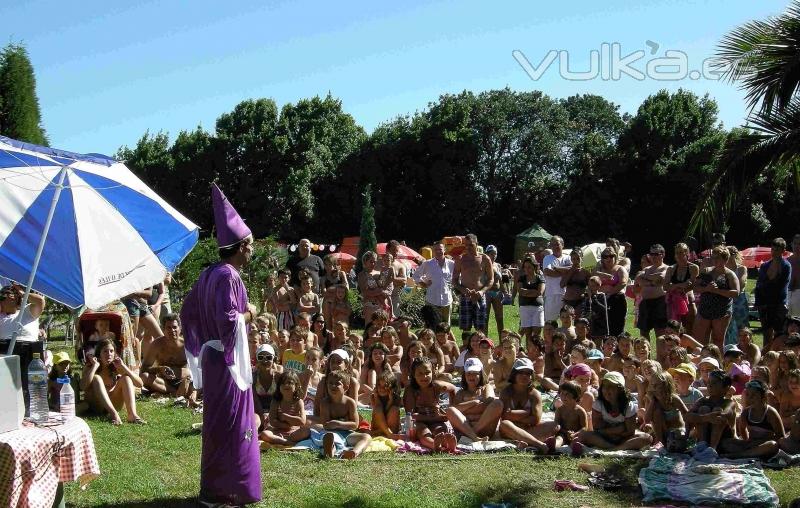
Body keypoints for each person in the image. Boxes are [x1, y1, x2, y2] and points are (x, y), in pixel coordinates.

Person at [179, 184, 261, 505]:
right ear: (240, 246)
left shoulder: (208, 274)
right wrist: (249, 312)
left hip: (214, 357)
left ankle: (214, 490)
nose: (252, 250)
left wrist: (203, 339)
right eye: (251, 245)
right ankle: (231, 489)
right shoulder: (229, 276)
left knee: (217, 424)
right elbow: (230, 319)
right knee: (232, 423)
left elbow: (188, 310)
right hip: (228, 363)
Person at [572, 372, 652, 454]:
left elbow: (630, 431)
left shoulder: (629, 406)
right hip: (603, 438)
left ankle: (616, 448)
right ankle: (613, 448)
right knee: (584, 435)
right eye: (605, 387)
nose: (607, 390)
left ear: (620, 389)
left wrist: (611, 430)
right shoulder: (598, 404)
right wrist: (618, 429)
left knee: (647, 438)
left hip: (623, 438)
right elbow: (597, 427)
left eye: (611, 387)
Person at [80, 338, 145, 425]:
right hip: (97, 405)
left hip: (114, 402)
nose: (109, 354)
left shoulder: (116, 367)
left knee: (126, 378)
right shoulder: (90, 366)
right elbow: (83, 387)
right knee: (96, 378)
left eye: (111, 351)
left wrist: (124, 367)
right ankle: (114, 414)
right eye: (105, 351)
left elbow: (140, 384)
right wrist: (95, 366)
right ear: (99, 354)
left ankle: (132, 415)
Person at [404, 357, 458, 452]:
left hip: (436, 419)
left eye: (427, 373)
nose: (424, 377)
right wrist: (434, 418)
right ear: (414, 375)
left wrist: (451, 406)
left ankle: (447, 445)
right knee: (424, 433)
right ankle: (434, 445)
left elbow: (453, 388)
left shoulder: (436, 386)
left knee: (440, 431)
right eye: (420, 374)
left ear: (432, 373)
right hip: (420, 420)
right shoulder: (411, 390)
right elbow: (410, 415)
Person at [498, 358, 552, 452]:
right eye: (521, 372)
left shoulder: (535, 394)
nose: (524, 376)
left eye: (528, 373)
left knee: (554, 425)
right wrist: (527, 412)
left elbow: (536, 419)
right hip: (510, 429)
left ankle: (521, 440)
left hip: (527, 429)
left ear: (532, 376)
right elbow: (505, 416)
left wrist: (514, 416)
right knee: (504, 424)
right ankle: (539, 444)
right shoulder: (506, 392)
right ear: (514, 374)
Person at [720, 380, 784, 459]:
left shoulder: (770, 413)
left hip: (764, 444)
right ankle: (749, 453)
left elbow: (781, 436)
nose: (750, 398)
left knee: (772, 445)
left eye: (753, 395)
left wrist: (760, 442)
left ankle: (739, 455)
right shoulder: (746, 413)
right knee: (726, 442)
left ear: (763, 397)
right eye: (748, 395)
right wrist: (747, 441)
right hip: (751, 443)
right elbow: (742, 429)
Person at [315, 370, 372, 459]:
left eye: (337, 383)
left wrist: (338, 424)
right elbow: (326, 425)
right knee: (331, 438)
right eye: (330, 383)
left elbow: (355, 425)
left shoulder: (350, 403)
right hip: (331, 433)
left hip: (347, 434)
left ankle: (354, 452)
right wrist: (341, 425)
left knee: (366, 437)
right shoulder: (325, 403)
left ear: (345, 387)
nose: (333, 386)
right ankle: (330, 452)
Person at [447, 357, 503, 442]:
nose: (471, 376)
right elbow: (454, 409)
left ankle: (473, 434)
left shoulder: (486, 388)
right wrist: (473, 402)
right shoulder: (461, 393)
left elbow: (487, 405)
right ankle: (474, 437)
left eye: (475, 373)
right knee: (450, 410)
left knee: (498, 403)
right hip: (465, 428)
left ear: (481, 374)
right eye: (468, 373)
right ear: (464, 375)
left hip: (485, 428)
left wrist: (465, 409)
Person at [693, 246, 740, 349]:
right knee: (700, 339)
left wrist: (717, 291)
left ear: (725, 259)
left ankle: (718, 363)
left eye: (717, 258)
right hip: (704, 310)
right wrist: (707, 289)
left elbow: (736, 292)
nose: (714, 260)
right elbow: (695, 287)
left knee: (718, 340)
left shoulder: (729, 275)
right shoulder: (706, 271)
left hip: (722, 312)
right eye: (713, 257)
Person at [140, 314, 193, 401]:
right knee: (144, 377)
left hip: (183, 381)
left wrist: (187, 378)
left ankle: (178, 391)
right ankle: (174, 392)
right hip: (163, 382)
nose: (172, 330)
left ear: (180, 329)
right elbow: (144, 369)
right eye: (168, 327)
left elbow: (198, 368)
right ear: (163, 330)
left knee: (198, 381)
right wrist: (160, 369)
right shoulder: (157, 345)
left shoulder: (186, 345)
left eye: (175, 327)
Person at [755, 238, 792, 351]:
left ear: (783, 251)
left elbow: (778, 284)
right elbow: (759, 284)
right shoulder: (765, 265)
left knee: (779, 334)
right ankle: (766, 357)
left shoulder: (786, 266)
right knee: (766, 334)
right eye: (773, 249)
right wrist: (759, 302)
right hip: (764, 304)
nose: (774, 252)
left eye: (777, 250)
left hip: (778, 304)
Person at [453, 234, 494, 333]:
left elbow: (491, 279)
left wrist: (482, 292)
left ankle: (481, 347)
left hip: (479, 296)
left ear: (477, 244)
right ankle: (466, 347)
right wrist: (463, 290)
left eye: (471, 245)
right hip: (465, 296)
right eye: (466, 245)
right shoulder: (461, 259)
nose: (468, 248)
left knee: (480, 328)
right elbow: (454, 280)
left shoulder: (485, 259)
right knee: (466, 329)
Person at [686, 370, 736, 450]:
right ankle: (702, 445)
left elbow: (726, 412)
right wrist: (706, 417)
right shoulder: (703, 401)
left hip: (724, 441)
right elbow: (687, 416)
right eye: (709, 383)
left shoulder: (729, 402)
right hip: (705, 441)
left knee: (718, 410)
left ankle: (713, 449)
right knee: (703, 409)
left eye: (714, 383)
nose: (710, 385)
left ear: (725, 388)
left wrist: (713, 416)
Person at [258, 370, 308, 446]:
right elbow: (272, 421)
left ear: (296, 386)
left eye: (289, 383)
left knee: (306, 431)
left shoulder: (298, 402)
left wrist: (285, 417)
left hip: (294, 432)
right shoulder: (276, 401)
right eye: (283, 383)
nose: (286, 385)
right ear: (279, 386)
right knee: (265, 434)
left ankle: (285, 440)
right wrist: (285, 425)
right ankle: (285, 442)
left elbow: (302, 421)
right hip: (277, 430)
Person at [413, 243, 455, 326]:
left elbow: (457, 278)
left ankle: (447, 339)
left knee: (446, 327)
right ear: (433, 251)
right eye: (436, 250)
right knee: (431, 326)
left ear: (444, 250)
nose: (438, 251)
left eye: (440, 249)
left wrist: (454, 284)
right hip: (432, 300)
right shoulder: (428, 263)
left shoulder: (451, 264)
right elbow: (416, 276)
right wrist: (423, 284)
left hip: (447, 300)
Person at [635, 244, 669, 339]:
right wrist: (652, 283)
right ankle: (645, 353)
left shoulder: (667, 268)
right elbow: (638, 279)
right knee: (643, 333)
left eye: (656, 254)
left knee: (660, 332)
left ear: (662, 255)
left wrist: (645, 279)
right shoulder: (646, 269)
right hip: (645, 303)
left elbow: (661, 278)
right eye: (651, 254)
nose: (653, 256)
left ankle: (661, 353)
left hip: (660, 303)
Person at [593, 248, 629, 336]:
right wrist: (604, 275)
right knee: (601, 325)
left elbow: (623, 282)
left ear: (615, 257)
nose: (609, 258)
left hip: (616, 300)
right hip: (601, 299)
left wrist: (610, 293)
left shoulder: (620, 269)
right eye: (605, 256)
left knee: (617, 325)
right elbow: (592, 278)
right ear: (602, 258)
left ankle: (617, 347)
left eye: (611, 256)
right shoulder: (599, 269)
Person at [664, 242, 699, 332]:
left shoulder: (693, 267)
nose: (678, 255)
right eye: (677, 253)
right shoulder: (671, 269)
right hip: (674, 303)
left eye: (681, 252)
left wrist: (674, 286)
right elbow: (665, 286)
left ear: (687, 253)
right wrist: (680, 285)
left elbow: (693, 285)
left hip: (689, 301)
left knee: (690, 328)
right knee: (674, 328)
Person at [546, 381, 588, 452]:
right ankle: (554, 446)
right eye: (562, 393)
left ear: (576, 396)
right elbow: (556, 424)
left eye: (567, 394)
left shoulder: (580, 411)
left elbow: (584, 427)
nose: (563, 397)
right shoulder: (560, 410)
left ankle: (575, 447)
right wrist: (565, 432)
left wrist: (575, 434)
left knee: (578, 440)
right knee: (559, 438)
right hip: (563, 433)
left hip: (576, 434)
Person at [252, 343, 283, 433]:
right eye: (261, 357)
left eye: (268, 357)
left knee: (271, 426)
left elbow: (282, 399)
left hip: (276, 411)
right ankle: (251, 441)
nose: (265, 360)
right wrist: (262, 415)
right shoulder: (253, 378)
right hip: (258, 411)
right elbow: (255, 400)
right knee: (255, 421)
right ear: (257, 359)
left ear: (274, 359)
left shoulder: (279, 377)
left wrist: (271, 415)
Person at [515, 257, 545, 346]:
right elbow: (520, 291)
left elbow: (540, 292)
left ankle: (537, 350)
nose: (527, 269)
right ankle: (529, 352)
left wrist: (526, 292)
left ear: (534, 267)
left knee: (537, 332)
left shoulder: (540, 278)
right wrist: (533, 292)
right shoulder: (521, 278)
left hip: (537, 308)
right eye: (525, 267)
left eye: (529, 267)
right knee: (527, 332)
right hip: (525, 308)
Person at [542, 236, 572, 322]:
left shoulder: (568, 258)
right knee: (551, 322)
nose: (555, 246)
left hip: (567, 294)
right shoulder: (547, 258)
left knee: (567, 321)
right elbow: (548, 272)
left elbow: (572, 270)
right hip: (551, 294)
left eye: (557, 244)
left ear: (562, 245)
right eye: (553, 245)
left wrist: (557, 268)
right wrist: (565, 271)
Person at [358, 251, 391, 324]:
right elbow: (365, 292)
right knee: (370, 327)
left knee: (383, 328)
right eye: (371, 262)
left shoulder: (379, 272)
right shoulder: (362, 275)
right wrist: (380, 291)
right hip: (370, 304)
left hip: (383, 304)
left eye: (374, 262)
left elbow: (386, 287)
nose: (373, 264)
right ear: (365, 262)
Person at [370, 369, 402, 438]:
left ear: (392, 388)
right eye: (379, 386)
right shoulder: (374, 396)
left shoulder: (396, 398)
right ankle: (388, 433)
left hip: (391, 428)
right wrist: (376, 397)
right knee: (378, 409)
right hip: (378, 427)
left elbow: (387, 413)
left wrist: (390, 401)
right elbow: (379, 412)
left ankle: (387, 433)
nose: (382, 389)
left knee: (394, 409)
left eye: (385, 386)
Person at [561, 249, 590, 318]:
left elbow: (590, 287)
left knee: (578, 322)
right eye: (573, 259)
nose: (576, 261)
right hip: (567, 301)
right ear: (571, 260)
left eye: (578, 258)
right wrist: (571, 271)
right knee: (567, 322)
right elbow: (562, 285)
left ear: (582, 258)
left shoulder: (586, 273)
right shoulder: (567, 271)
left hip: (579, 301)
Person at [484, 245, 505, 333]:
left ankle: (502, 340)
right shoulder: (484, 264)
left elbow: (500, 280)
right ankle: (484, 340)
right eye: (492, 254)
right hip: (487, 292)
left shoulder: (498, 265)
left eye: (495, 254)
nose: (494, 256)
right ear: (487, 254)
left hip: (497, 292)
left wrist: (504, 291)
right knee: (485, 317)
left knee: (500, 317)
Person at [385, 240, 408, 318]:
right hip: (380, 297)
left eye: (397, 251)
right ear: (387, 250)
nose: (396, 253)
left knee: (394, 320)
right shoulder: (378, 263)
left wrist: (391, 279)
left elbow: (404, 281)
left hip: (394, 297)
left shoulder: (400, 266)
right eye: (393, 250)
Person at [788, 234, 800, 316]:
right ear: (791, 244)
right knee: (786, 323)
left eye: (799, 244)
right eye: (795, 243)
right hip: (787, 294)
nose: (797, 246)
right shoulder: (786, 261)